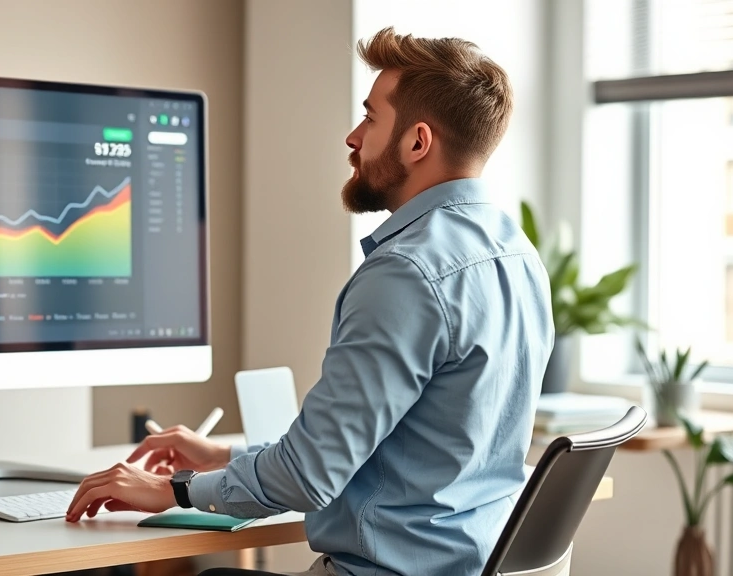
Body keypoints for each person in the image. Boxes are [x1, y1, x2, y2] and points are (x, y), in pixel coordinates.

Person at [66, 27, 554, 576]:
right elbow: (393, 451)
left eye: (370, 118)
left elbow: (309, 477)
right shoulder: (517, 255)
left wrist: (172, 489)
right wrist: (224, 458)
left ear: (418, 142)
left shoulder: (406, 273)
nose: (352, 136)